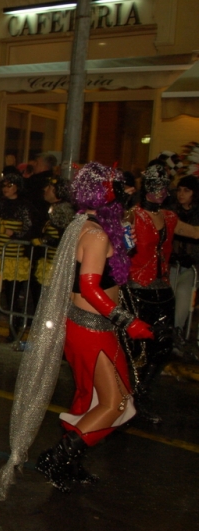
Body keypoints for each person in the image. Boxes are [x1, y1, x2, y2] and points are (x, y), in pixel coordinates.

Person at [0, 162, 153, 499]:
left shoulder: (85, 224)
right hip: (93, 328)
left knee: (86, 397)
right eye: (118, 189)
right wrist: (127, 320)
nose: (125, 194)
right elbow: (91, 286)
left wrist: (123, 243)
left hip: (83, 326)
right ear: (105, 193)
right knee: (118, 404)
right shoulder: (93, 233)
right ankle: (58, 458)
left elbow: (103, 273)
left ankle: (70, 462)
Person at [119, 161, 199, 424]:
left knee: (162, 348)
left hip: (163, 291)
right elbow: (115, 241)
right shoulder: (132, 215)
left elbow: (195, 232)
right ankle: (125, 400)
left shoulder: (170, 217)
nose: (159, 192)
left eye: (164, 187)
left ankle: (139, 396)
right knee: (135, 349)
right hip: (136, 291)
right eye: (155, 186)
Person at [0, 168, 34, 340]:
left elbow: (29, 230)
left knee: (11, 296)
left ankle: (14, 331)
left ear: (17, 187)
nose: (6, 189)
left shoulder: (24, 206)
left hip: (13, 258)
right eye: (4, 185)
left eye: (9, 185)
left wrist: (13, 233)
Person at [168, 175, 199, 354]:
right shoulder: (172, 211)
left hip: (193, 266)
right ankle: (166, 330)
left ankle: (177, 332)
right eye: (179, 190)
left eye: (186, 190)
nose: (181, 194)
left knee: (183, 291)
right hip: (173, 263)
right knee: (169, 290)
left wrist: (192, 256)